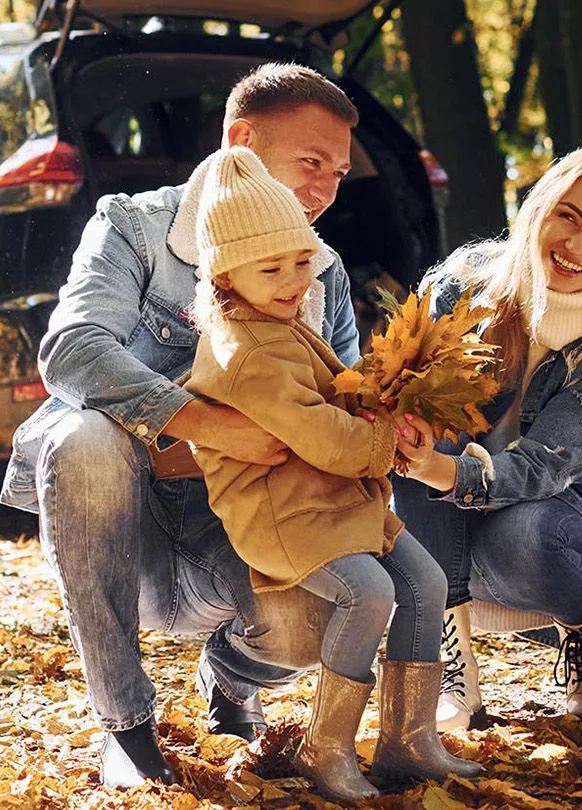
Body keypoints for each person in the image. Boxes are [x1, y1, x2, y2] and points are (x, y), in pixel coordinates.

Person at [0, 63, 358, 788]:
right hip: (129, 535)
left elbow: (345, 403)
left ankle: (232, 679)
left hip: (245, 526)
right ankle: (126, 731)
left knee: (320, 620)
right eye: (310, 162)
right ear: (242, 141)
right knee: (86, 437)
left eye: (340, 174)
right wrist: (212, 426)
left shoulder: (323, 270)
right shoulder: (134, 226)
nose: (323, 191)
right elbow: (72, 351)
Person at [183, 146, 482, 802]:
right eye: (273, 267)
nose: (294, 279)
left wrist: (387, 411)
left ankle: (409, 738)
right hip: (283, 511)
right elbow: (320, 436)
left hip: (331, 495)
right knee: (369, 593)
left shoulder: (279, 321)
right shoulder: (242, 351)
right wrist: (384, 444)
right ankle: (327, 747)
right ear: (225, 276)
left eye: (301, 261)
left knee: (425, 580)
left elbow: (334, 400)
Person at [391, 144, 582, 730]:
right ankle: (449, 668)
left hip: (559, 520)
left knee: (527, 534)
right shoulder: (464, 285)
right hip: (444, 527)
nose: (577, 246)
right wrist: (415, 444)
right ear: (540, 209)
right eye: (569, 217)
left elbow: (543, 469)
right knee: (431, 428)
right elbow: (404, 391)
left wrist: (437, 470)